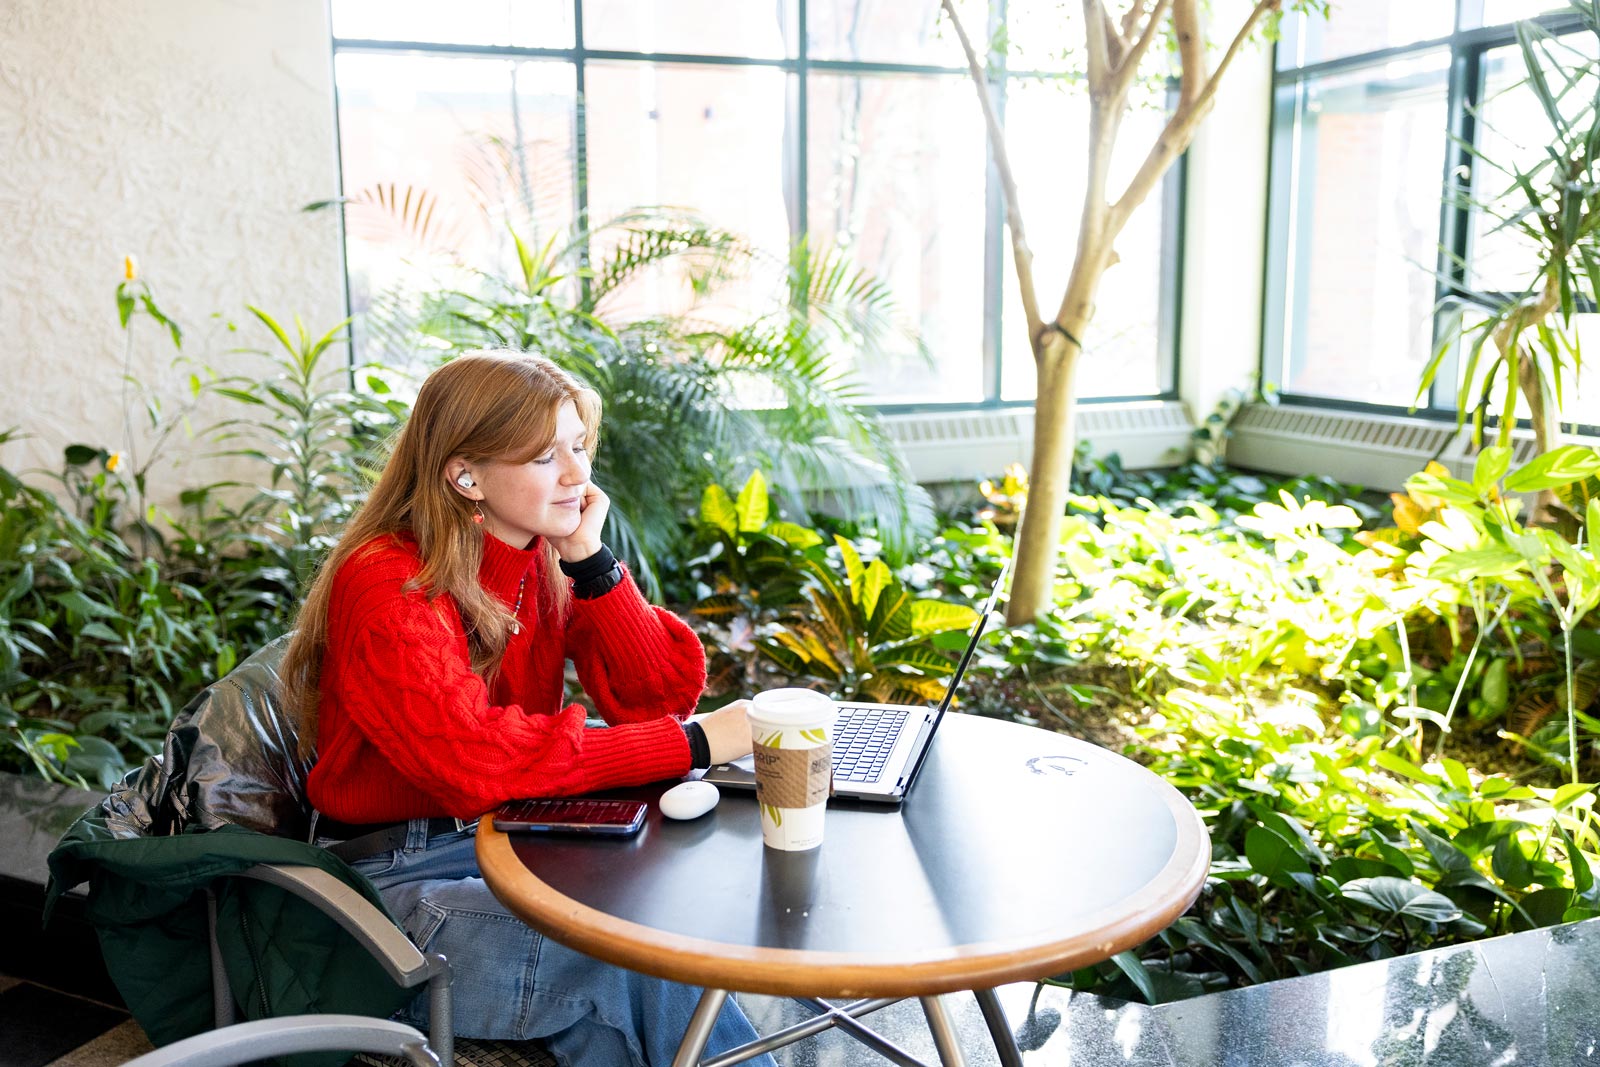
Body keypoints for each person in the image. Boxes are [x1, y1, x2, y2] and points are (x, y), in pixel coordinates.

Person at [280, 351, 772, 1067]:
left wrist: (589, 556)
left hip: (506, 837)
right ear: (465, 474)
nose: (578, 474)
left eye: (578, 446)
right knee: (638, 957)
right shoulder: (388, 582)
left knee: (679, 935)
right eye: (546, 455)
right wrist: (695, 744)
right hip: (390, 884)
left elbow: (656, 697)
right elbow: (473, 759)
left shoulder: (536, 554)